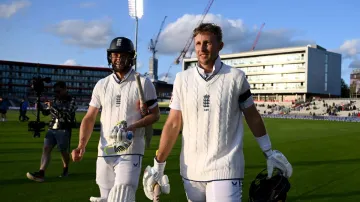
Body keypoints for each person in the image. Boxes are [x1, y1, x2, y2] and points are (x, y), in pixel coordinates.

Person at [142, 23, 293, 202]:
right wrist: (158, 164)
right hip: (191, 172)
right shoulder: (182, 80)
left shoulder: (236, 77)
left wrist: (268, 150)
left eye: (207, 43)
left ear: (220, 46)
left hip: (226, 168)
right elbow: (173, 123)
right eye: (198, 43)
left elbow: (252, 116)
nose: (202, 48)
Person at [71, 36, 160, 202]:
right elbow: (90, 117)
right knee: (105, 197)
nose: (118, 58)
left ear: (131, 57)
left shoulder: (143, 82)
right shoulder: (102, 84)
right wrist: (81, 145)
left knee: (122, 195)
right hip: (106, 150)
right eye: (114, 54)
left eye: (122, 54)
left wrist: (134, 126)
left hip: (130, 149)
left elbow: (155, 115)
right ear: (109, 57)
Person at [26, 81, 77, 182]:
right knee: (46, 149)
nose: (56, 94)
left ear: (65, 89)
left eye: (58, 91)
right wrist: (41, 107)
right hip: (52, 127)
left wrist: (52, 106)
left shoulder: (71, 99)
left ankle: (65, 167)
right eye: (55, 92)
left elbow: (66, 114)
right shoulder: (55, 99)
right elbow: (47, 112)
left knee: (63, 151)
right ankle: (41, 172)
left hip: (64, 128)